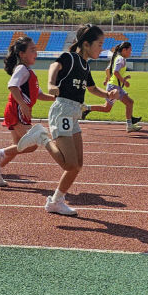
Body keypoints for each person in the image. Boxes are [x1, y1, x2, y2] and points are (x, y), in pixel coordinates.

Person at [14, 24, 118, 216]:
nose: (102, 48)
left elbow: (93, 89)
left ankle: (56, 202)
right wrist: (51, 84)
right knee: (69, 164)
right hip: (62, 111)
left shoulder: (85, 65)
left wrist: (108, 94)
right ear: (86, 44)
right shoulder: (70, 58)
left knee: (77, 165)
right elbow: (55, 65)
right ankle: (42, 138)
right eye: (100, 43)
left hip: (74, 114)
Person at [0, 36, 56, 186]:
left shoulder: (29, 72)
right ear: (22, 54)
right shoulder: (22, 69)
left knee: (17, 146)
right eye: (32, 50)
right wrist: (22, 104)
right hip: (16, 111)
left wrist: (57, 98)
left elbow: (40, 95)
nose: (36, 52)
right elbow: (12, 85)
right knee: (32, 144)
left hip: (19, 111)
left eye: (36, 49)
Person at [80, 41, 142, 132]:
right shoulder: (120, 59)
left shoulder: (117, 57)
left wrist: (121, 78)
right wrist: (123, 81)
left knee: (110, 107)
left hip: (115, 86)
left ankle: (87, 108)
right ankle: (129, 125)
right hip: (114, 87)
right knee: (126, 103)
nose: (131, 52)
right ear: (124, 50)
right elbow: (115, 72)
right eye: (130, 50)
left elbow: (110, 70)